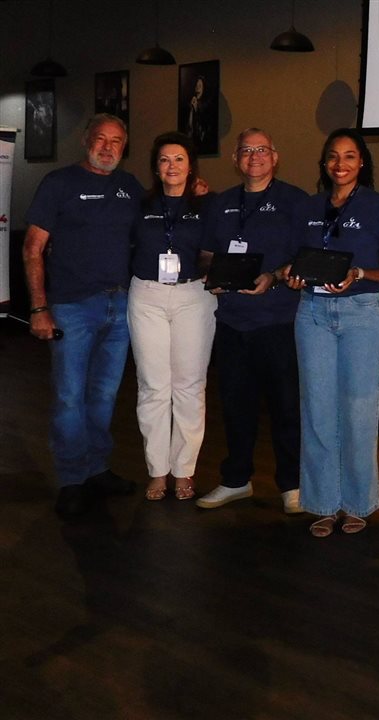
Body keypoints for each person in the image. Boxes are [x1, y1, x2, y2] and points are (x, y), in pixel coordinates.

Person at [284, 128, 379, 537]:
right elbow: (293, 261)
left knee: (357, 411)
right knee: (317, 410)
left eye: (350, 157)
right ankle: (321, 502)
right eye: (333, 157)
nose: (341, 164)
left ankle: (356, 503)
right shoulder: (308, 206)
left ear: (362, 163)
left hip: (362, 314)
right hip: (313, 312)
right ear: (324, 163)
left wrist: (359, 274)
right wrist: (292, 276)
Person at [23, 114, 143, 519]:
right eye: (100, 139)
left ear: (125, 146)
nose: (108, 148)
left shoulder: (130, 187)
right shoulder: (59, 183)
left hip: (121, 306)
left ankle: (97, 469)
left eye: (116, 141)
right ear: (86, 141)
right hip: (73, 307)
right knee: (69, 396)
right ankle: (72, 479)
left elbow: (159, 226)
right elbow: (33, 248)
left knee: (104, 395)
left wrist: (198, 197)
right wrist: (39, 308)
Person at [196, 128, 310, 514]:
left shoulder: (295, 201)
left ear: (275, 157)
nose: (254, 156)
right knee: (235, 406)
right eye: (247, 150)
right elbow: (207, 254)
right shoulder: (222, 203)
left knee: (286, 409)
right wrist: (213, 275)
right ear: (236, 159)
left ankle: (292, 486)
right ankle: (236, 480)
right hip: (232, 322)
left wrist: (274, 276)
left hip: (279, 321)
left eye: (262, 149)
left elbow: (305, 256)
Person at [127, 131, 215, 502]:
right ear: (156, 167)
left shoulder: (208, 204)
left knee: (189, 387)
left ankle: (184, 471)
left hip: (193, 296)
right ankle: (157, 471)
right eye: (164, 160)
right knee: (153, 386)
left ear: (190, 165)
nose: (172, 166)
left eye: (179, 159)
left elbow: (213, 250)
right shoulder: (139, 203)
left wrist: (214, 269)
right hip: (146, 295)